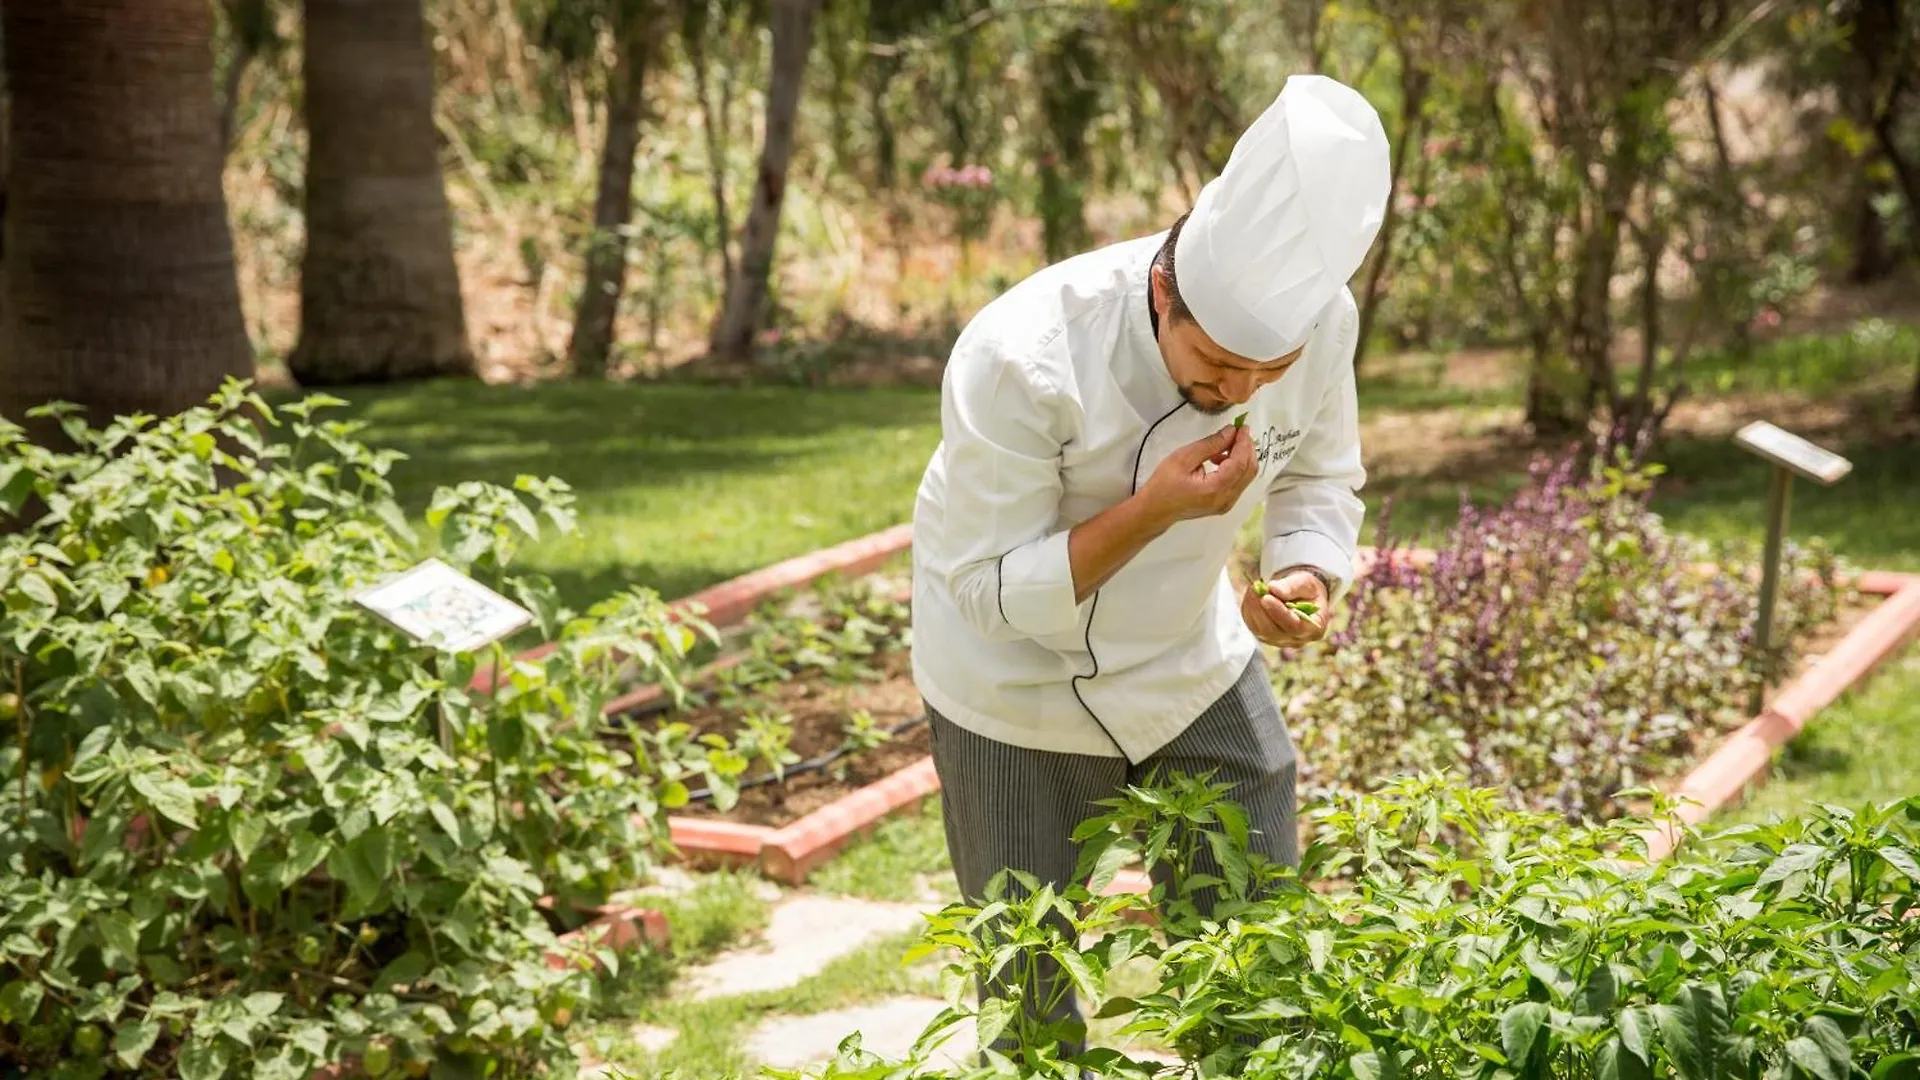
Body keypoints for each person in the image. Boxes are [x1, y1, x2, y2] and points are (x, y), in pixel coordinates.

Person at [908, 73, 1392, 1047]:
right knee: (1029, 990)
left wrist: (1304, 575)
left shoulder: (1322, 323)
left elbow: (1320, 477)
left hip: (1187, 658)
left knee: (1257, 960)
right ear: (1164, 290)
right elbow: (989, 595)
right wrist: (1158, 508)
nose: (1239, 391)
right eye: (1215, 367)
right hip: (1011, 688)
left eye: (1267, 374)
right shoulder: (1024, 354)